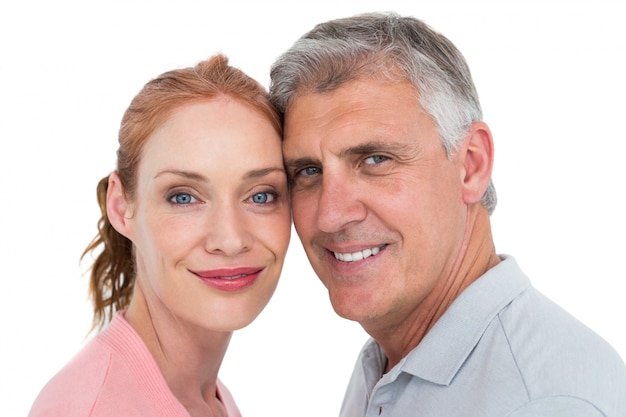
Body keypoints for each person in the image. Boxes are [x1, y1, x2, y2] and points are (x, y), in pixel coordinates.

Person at [269, 11, 626, 416]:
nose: (330, 216)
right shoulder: (393, 360)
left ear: (470, 165)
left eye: (375, 159)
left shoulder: (543, 402)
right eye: (308, 171)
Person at [29, 54, 291, 417]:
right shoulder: (91, 409)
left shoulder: (208, 399)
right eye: (183, 197)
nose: (230, 239)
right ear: (121, 207)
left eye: (261, 195)